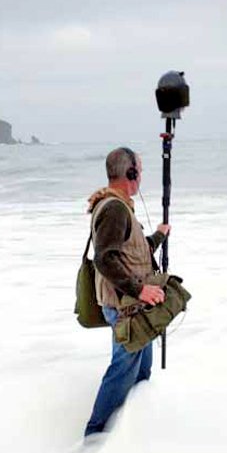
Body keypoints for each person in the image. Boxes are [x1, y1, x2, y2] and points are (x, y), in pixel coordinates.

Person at [84, 146, 170, 438]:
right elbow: (105, 258)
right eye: (140, 171)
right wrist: (140, 289)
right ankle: (95, 438)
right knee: (123, 372)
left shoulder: (119, 206)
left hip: (132, 305)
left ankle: (130, 436)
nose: (142, 176)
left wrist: (158, 235)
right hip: (125, 306)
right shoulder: (114, 209)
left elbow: (130, 250)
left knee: (141, 372)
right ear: (130, 173)